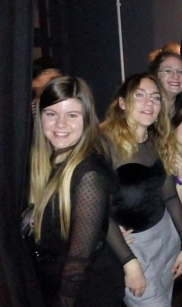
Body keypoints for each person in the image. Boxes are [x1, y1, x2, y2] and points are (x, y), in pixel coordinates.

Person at [29, 76, 145, 306]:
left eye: (72, 115)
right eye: (51, 114)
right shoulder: (44, 162)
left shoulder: (88, 172)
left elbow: (77, 263)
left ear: (86, 119)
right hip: (52, 278)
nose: (60, 124)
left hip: (86, 288)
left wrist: (63, 301)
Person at [101, 73, 182, 306]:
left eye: (155, 98)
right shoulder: (104, 145)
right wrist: (128, 262)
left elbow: (170, 195)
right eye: (139, 96)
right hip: (134, 248)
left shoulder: (156, 140)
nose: (148, 104)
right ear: (122, 103)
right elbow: (97, 208)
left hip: (166, 238)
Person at [148, 50, 182, 116]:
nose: (176, 76)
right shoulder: (147, 109)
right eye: (168, 71)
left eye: (181, 72)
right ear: (155, 75)